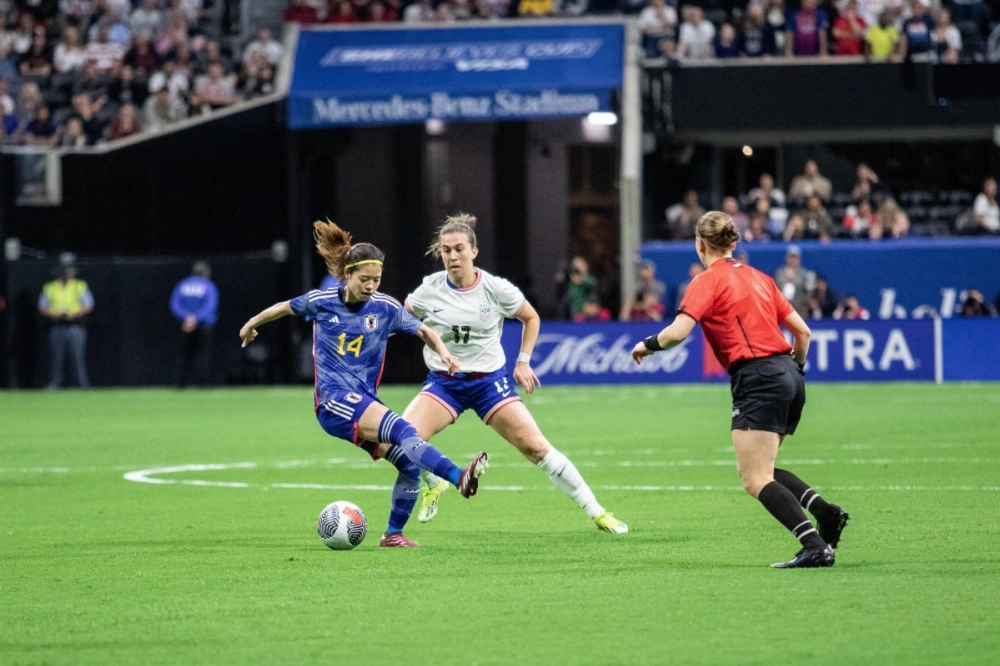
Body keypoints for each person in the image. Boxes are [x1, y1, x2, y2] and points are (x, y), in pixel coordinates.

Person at [239, 220, 489, 548]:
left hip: (363, 400)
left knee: (407, 462)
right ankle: (458, 477)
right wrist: (251, 324)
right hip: (334, 401)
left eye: (377, 279)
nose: (371, 286)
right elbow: (284, 308)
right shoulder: (323, 300)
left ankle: (393, 534)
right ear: (348, 275)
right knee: (404, 431)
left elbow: (423, 330)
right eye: (365, 279)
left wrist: (443, 351)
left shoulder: (385, 308)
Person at [630, 211, 849, 568]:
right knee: (763, 468)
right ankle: (825, 514)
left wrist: (646, 344)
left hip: (758, 376)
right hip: (789, 374)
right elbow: (803, 332)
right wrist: (796, 369)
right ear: (733, 243)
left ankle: (813, 545)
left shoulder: (706, 281)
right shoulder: (762, 278)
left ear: (700, 244)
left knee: (755, 478)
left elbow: (676, 333)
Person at [403, 214, 628, 534]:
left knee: (536, 447)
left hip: (488, 382)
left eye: (459, 249)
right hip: (445, 383)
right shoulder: (429, 290)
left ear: (474, 252)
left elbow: (531, 317)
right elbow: (404, 318)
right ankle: (433, 482)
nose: (452, 257)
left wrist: (522, 362)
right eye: (446, 250)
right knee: (402, 438)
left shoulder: (495, 289)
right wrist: (433, 343)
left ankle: (597, 512)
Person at [38, 260, 94, 389]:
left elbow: (88, 305)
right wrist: (55, 314)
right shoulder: (50, 287)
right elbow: (42, 307)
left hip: (75, 325)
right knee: (56, 358)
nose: (67, 274)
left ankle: (82, 385)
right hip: (57, 326)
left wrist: (73, 314)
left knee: (77, 357)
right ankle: (54, 384)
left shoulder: (79, 285)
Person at [170, 261, 218, 387]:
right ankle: (203, 384)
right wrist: (196, 318)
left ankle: (180, 384)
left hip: (185, 325)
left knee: (185, 354)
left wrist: (187, 318)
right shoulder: (208, 286)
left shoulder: (183, 284)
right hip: (204, 324)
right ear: (206, 273)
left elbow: (175, 305)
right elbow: (210, 306)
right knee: (203, 355)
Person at [774, 245, 815, 317]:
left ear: (799, 259)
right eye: (791, 257)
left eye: (795, 257)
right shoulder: (779, 273)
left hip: (799, 312)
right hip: (782, 311)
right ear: (786, 258)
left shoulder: (805, 274)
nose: (793, 260)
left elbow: (809, 293)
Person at [555, 256, 597, 320]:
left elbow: (592, 287)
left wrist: (581, 279)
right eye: (574, 266)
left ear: (585, 266)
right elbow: (560, 292)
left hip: (588, 311)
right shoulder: (569, 280)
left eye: (580, 265)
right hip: (572, 312)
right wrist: (561, 279)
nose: (577, 268)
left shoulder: (589, 279)